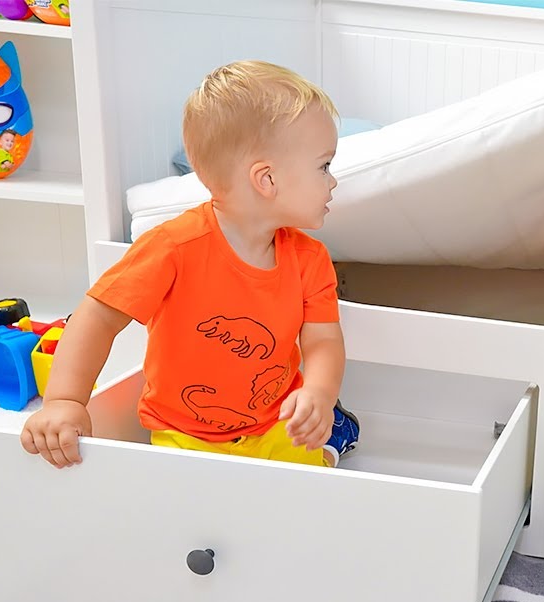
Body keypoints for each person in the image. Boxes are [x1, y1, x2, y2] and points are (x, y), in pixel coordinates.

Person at [20, 60, 360, 469]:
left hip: (277, 425)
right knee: (184, 504)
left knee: (307, 493)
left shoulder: (310, 259)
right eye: (324, 166)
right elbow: (97, 317)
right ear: (267, 180)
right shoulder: (173, 247)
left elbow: (322, 339)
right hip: (184, 434)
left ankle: (332, 439)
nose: (332, 180)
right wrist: (64, 401)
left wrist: (319, 392)